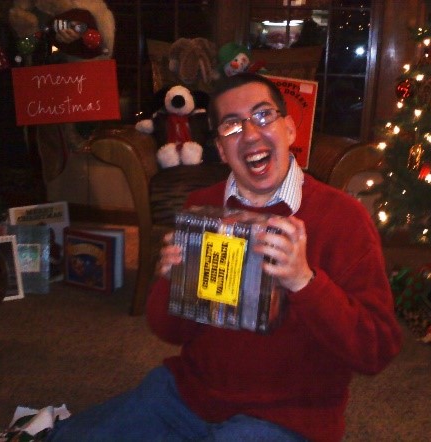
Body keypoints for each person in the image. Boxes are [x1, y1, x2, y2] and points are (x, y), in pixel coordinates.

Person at [47, 72, 402, 442]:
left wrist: (304, 282)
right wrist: (170, 281)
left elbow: (375, 351)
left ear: (289, 129)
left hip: (289, 415)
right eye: (232, 125)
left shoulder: (343, 217)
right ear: (220, 148)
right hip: (190, 394)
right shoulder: (203, 206)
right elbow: (170, 332)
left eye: (263, 115)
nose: (250, 134)